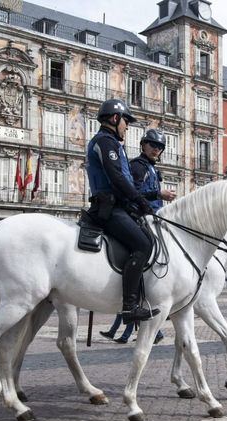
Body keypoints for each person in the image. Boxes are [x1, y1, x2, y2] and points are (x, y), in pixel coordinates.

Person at [86, 98, 159, 324]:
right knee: (144, 244)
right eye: (126, 121)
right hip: (109, 208)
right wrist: (140, 200)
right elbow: (117, 177)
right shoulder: (105, 142)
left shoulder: (114, 144)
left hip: (119, 206)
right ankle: (129, 307)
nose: (127, 126)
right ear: (115, 118)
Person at [101, 129, 176, 344]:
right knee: (146, 248)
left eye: (160, 147)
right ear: (143, 145)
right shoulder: (138, 167)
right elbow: (131, 193)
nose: (156, 149)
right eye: (153, 145)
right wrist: (157, 195)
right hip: (138, 216)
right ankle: (134, 300)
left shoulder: (152, 169)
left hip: (153, 217)